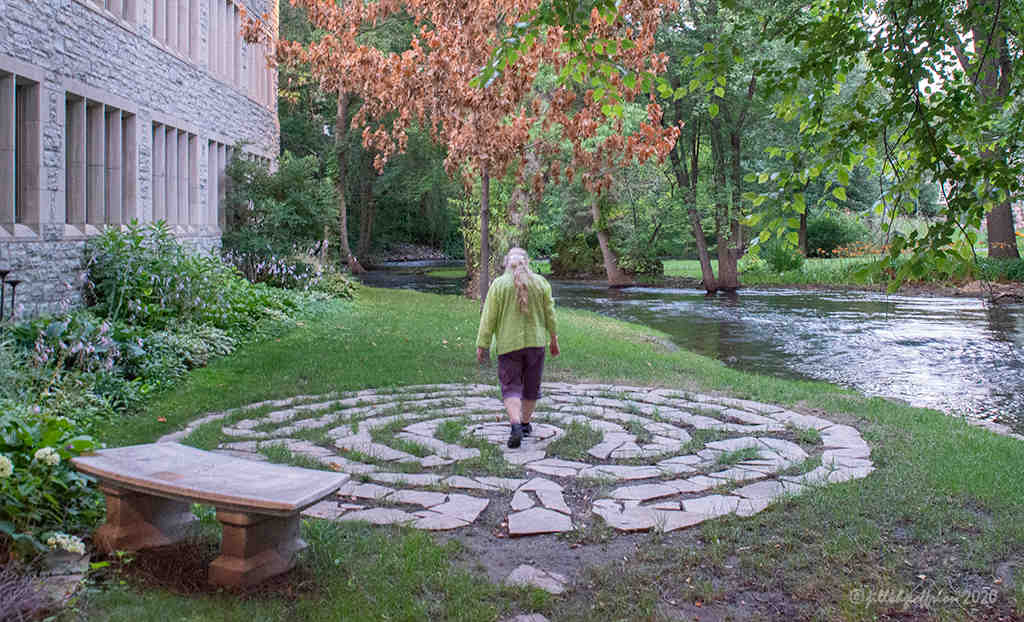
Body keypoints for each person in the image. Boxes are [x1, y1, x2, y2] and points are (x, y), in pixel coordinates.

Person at [476, 247, 560, 448]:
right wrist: (554, 339)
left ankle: (514, 424)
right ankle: (524, 424)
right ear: (527, 262)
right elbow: (550, 315)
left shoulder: (498, 285)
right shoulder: (540, 283)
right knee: (531, 386)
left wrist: (482, 344)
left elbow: (488, 318)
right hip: (536, 344)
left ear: (506, 263)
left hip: (508, 346)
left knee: (511, 386)